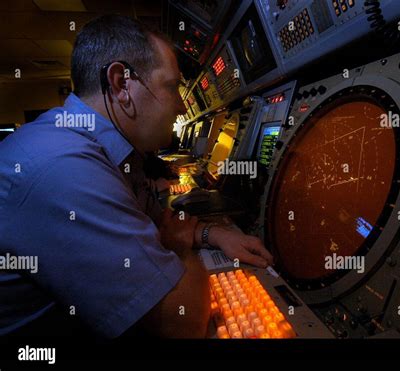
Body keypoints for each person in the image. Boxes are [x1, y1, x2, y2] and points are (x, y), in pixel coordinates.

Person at [0, 15, 272, 338]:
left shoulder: (111, 147)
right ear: (121, 85)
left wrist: (210, 234)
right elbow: (184, 323)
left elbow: (158, 218)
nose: (182, 108)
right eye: (172, 87)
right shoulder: (66, 167)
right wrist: (181, 249)